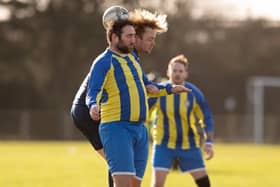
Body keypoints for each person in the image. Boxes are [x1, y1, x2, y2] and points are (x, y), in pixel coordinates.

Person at [86, 18, 191, 187]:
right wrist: (93, 105)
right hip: (117, 129)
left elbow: (149, 88)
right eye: (129, 36)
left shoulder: (132, 59)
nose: (133, 40)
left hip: (140, 131)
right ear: (113, 37)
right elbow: (93, 91)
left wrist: (171, 89)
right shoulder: (103, 62)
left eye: (134, 36)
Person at [148, 54, 214, 187]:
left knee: (204, 183)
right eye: (174, 70)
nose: (177, 74)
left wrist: (208, 142)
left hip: (188, 144)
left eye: (180, 71)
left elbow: (206, 117)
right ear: (168, 72)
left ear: (186, 74)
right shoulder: (159, 91)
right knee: (157, 184)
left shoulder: (193, 93)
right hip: (163, 144)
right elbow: (143, 113)